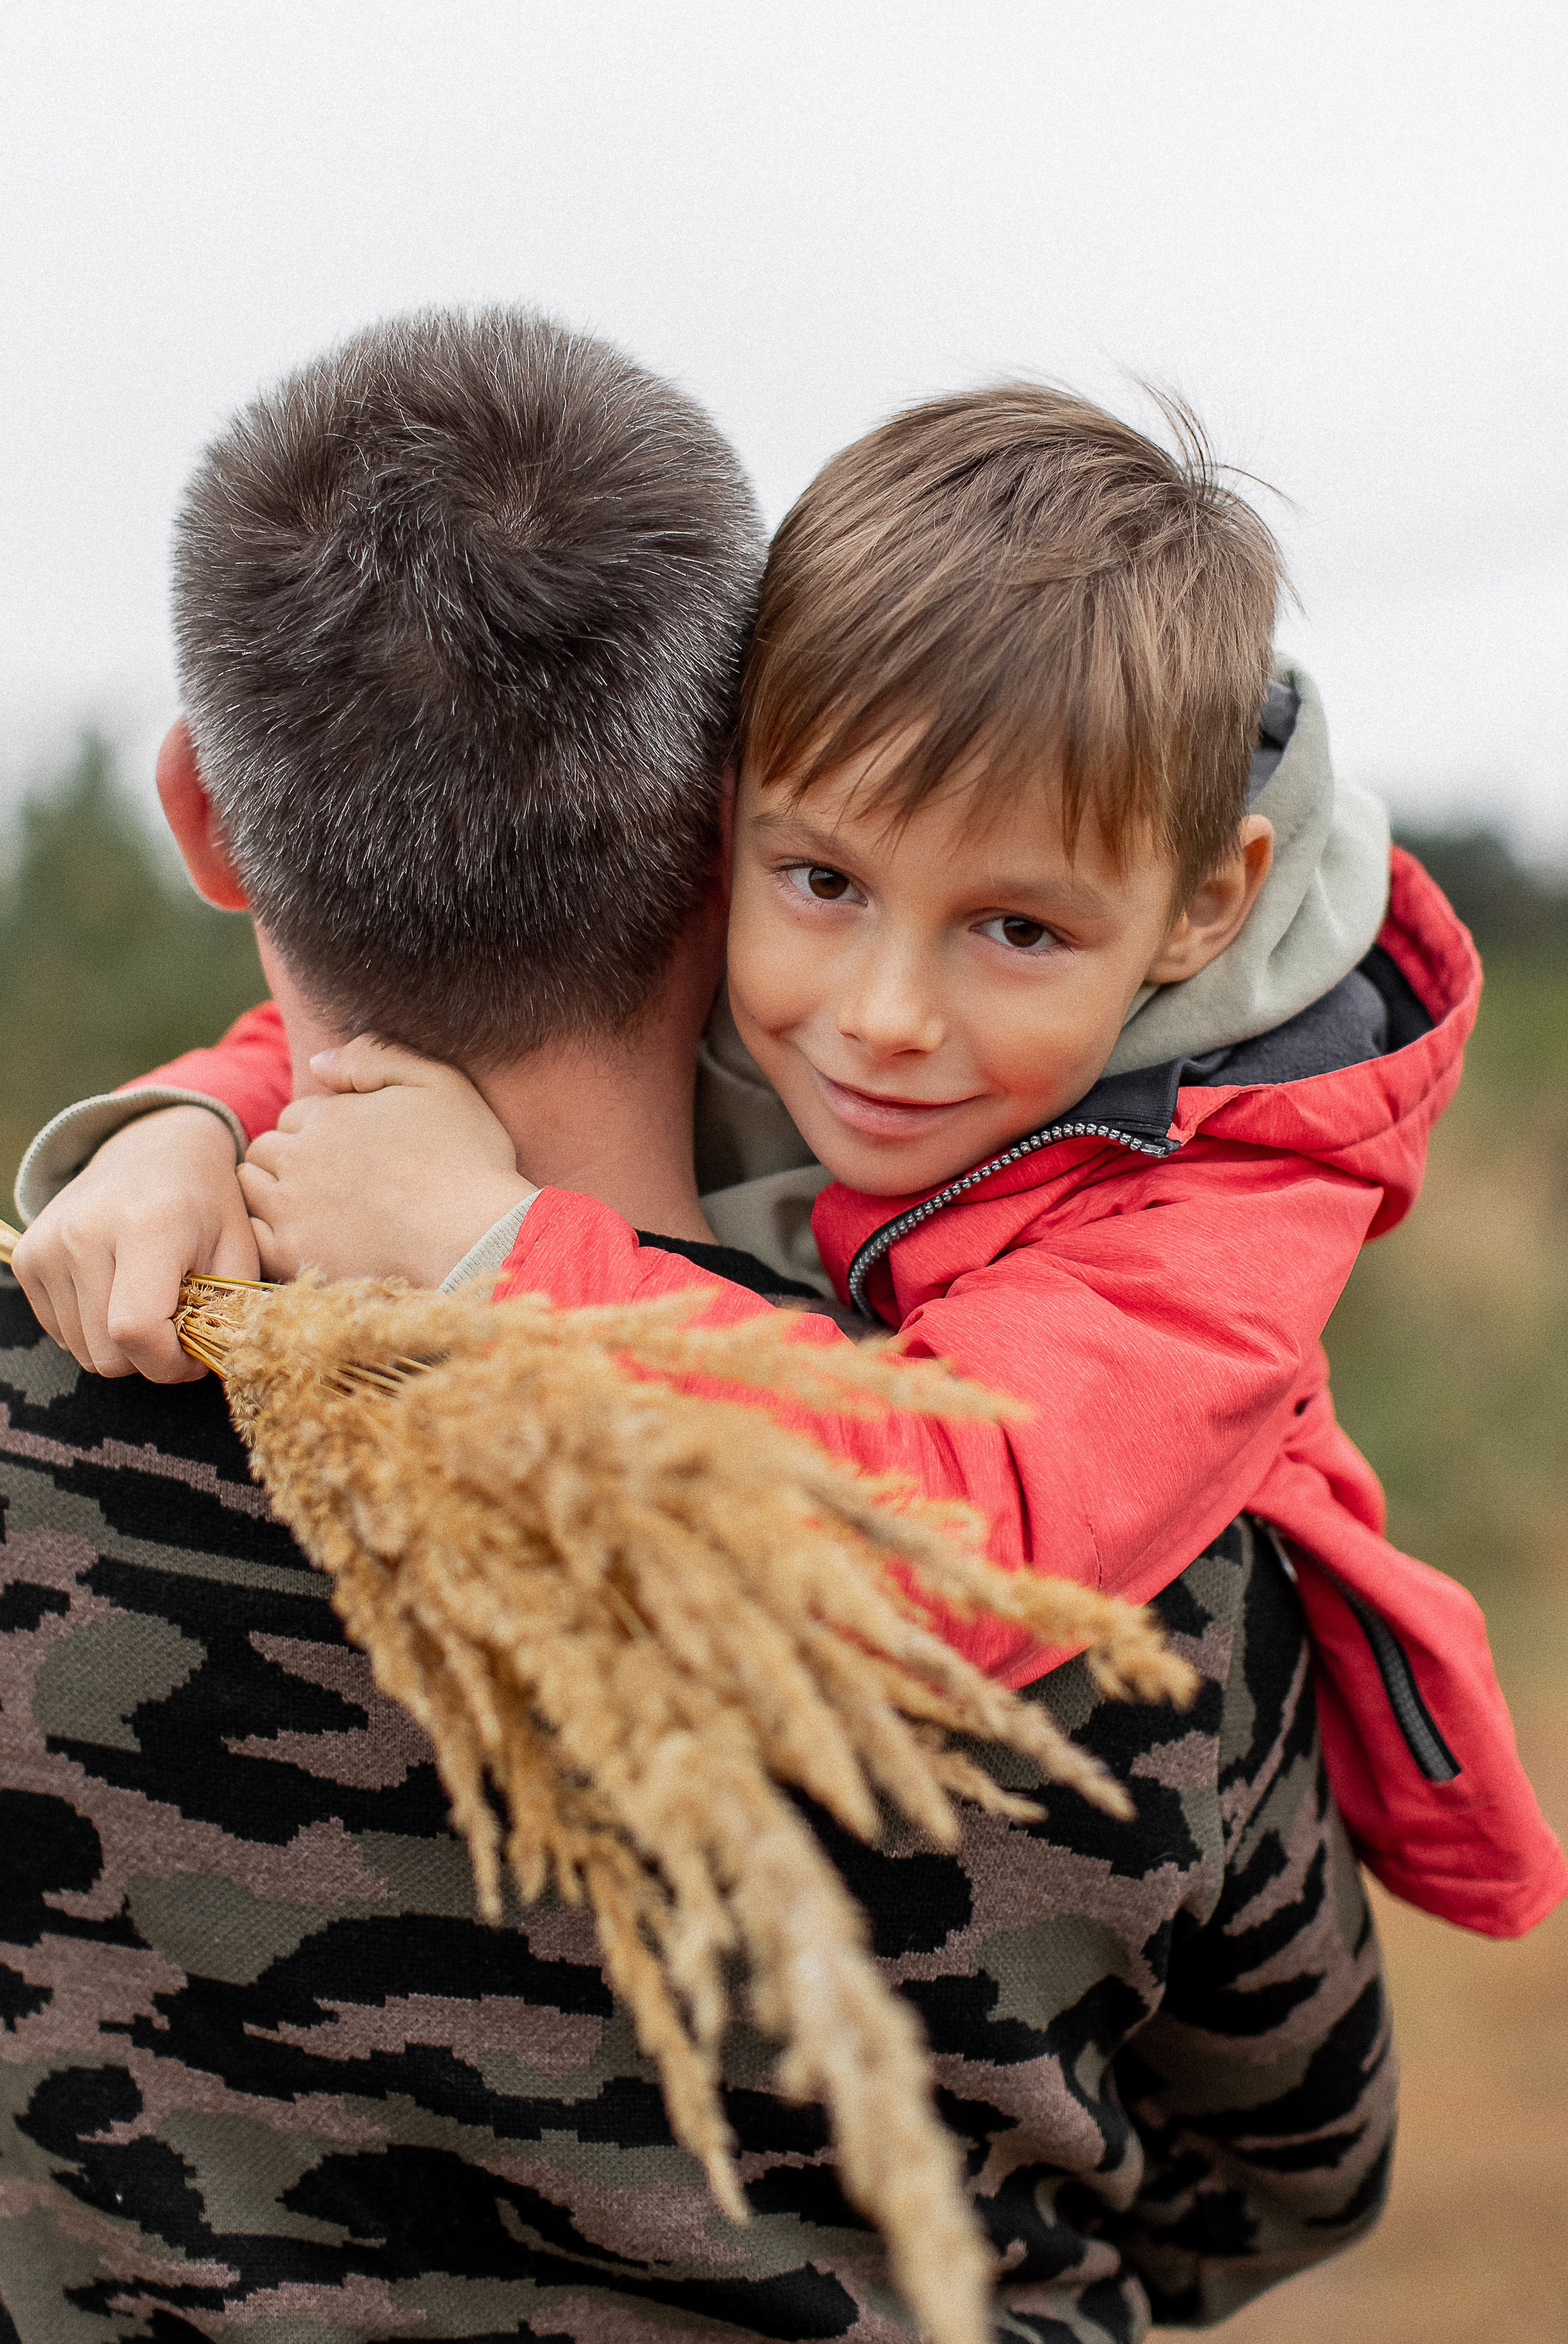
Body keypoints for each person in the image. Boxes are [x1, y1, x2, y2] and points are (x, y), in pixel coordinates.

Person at [3, 312, 1396, 2339]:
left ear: (204, 820)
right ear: (708, 819)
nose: (902, 1007)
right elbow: (1278, 2182)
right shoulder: (1133, 1563)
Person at [34, 383, 1558, 1943]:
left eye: (1016, 930)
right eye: (822, 878)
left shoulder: (1229, 1198)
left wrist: (492, 1250)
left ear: (1200, 906)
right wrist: (188, 1126)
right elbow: (402, 1000)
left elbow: (951, 1545)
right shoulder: (822, 981)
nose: (880, 1019)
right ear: (711, 827)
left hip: (1246, 1825)